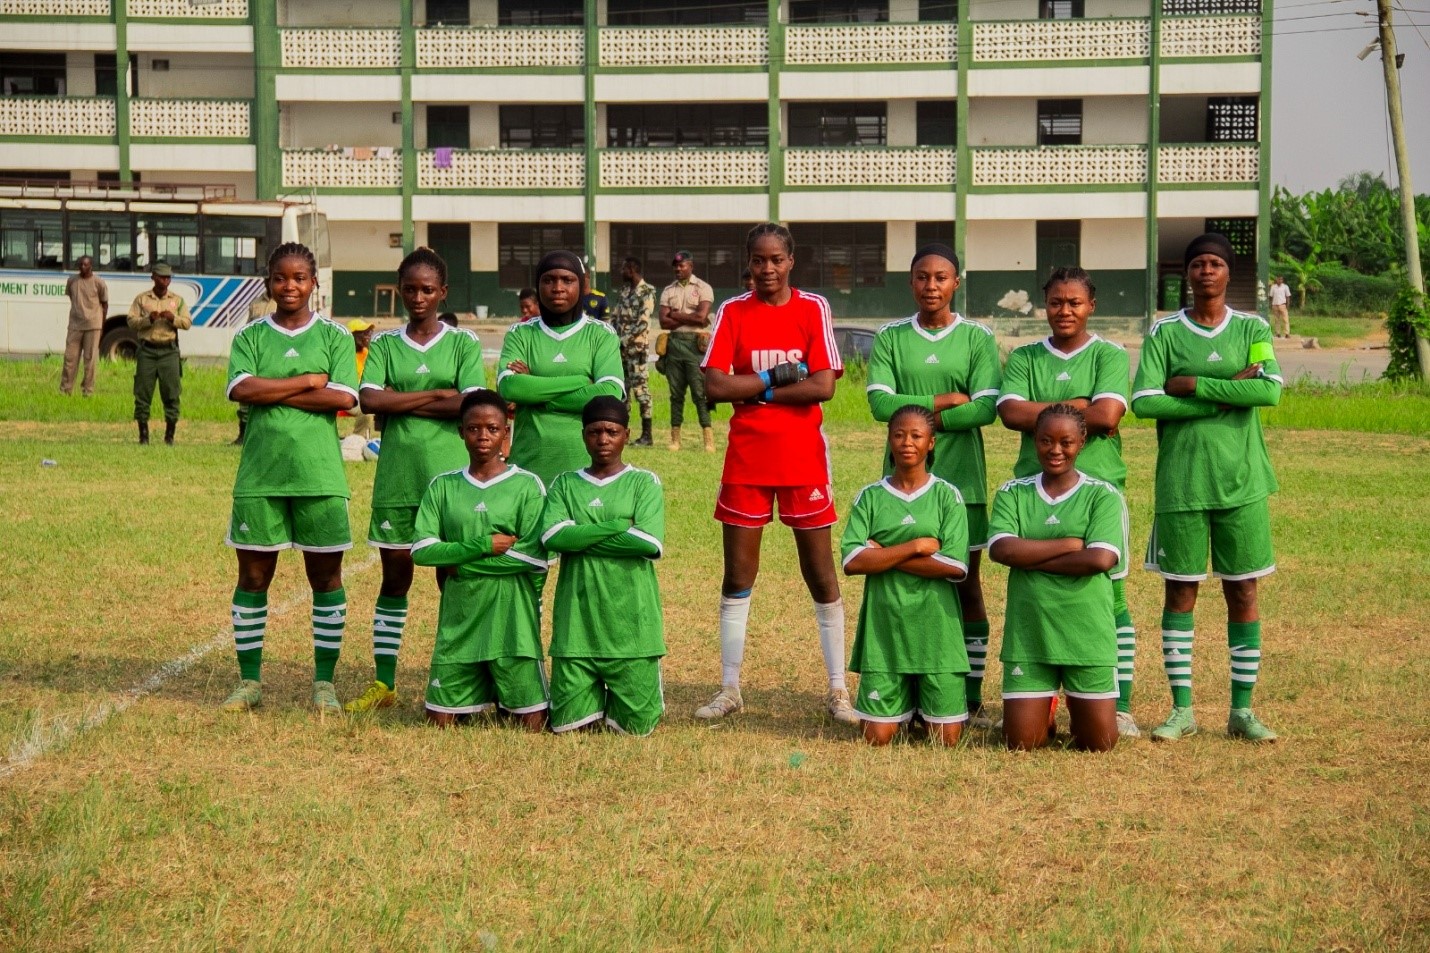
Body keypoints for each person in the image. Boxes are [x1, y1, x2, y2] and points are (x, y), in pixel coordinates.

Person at [694, 222, 856, 725]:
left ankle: (837, 690)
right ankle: (729, 687)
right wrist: (772, 377)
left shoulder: (813, 308)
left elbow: (824, 385)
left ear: (791, 261)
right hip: (747, 457)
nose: (767, 269)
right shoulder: (732, 311)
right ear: (749, 262)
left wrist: (754, 391)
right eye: (758, 260)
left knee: (820, 572)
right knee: (738, 574)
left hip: (802, 456)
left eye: (776, 260)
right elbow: (716, 387)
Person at [1132, 233, 1281, 744]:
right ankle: (1182, 711)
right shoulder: (1164, 332)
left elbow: (1270, 390)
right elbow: (1146, 400)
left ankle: (1242, 711)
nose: (1206, 271)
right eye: (1198, 264)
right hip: (1183, 482)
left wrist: (1196, 385)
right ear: (1187, 274)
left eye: (1215, 263)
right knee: (1181, 590)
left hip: (1243, 481)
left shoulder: (1254, 326)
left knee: (1243, 589)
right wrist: (1226, 395)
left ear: (1228, 273)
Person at [996, 267, 1138, 737]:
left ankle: (1119, 702)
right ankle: (1041, 694)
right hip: (1034, 486)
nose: (1064, 310)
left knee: (1109, 597)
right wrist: (1077, 404)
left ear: (1091, 306)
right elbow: (1010, 412)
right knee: (1036, 591)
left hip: (1099, 484)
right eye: (1056, 302)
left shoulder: (1110, 354)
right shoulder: (1024, 356)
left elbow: (1110, 412)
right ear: (1045, 305)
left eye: (1074, 302)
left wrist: (1051, 410)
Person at [345, 247, 486, 714]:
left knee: (455, 579)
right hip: (398, 481)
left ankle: (456, 675)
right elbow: (369, 401)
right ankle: (384, 683)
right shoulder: (384, 344)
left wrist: (402, 398)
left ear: (443, 292)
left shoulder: (463, 344)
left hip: (451, 483)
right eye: (410, 289)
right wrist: (435, 394)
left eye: (428, 289)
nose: (418, 297)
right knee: (394, 578)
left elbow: (468, 406)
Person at [221, 242, 360, 714]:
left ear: (314, 282)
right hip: (261, 476)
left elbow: (342, 398)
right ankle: (249, 681)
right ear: (268, 282)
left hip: (319, 476)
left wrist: (272, 391)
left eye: (300, 277)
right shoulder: (251, 335)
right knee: (254, 576)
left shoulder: (336, 336)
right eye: (281, 278)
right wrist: (306, 382)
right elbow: (241, 388)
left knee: (326, 579)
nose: (290, 286)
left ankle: (324, 683)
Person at [865, 243, 1001, 725]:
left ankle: (970, 694)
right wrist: (944, 399)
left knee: (965, 583)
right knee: (899, 577)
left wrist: (916, 423)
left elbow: (986, 406)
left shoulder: (977, 338)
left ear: (956, 283)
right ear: (910, 282)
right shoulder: (891, 337)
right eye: (922, 277)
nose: (931, 286)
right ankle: (905, 685)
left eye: (941, 278)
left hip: (963, 483)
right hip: (899, 485)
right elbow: (881, 405)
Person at [987, 403, 1124, 753]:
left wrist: (1029, 556)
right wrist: (1067, 544)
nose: (1055, 450)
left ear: (1082, 442)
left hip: (1085, 631)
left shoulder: (1102, 495)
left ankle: (1077, 705)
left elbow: (1100, 558)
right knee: (1021, 743)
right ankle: (1045, 706)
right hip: (1030, 631)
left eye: (1066, 442)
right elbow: (1002, 550)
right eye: (1046, 440)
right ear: (1035, 440)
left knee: (1100, 744)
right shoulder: (1012, 492)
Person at [411, 391, 550, 730]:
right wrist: (483, 545)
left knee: (532, 725)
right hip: (461, 619)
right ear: (461, 431)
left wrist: (458, 562)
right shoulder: (443, 486)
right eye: (474, 428)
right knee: (438, 723)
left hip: (511, 620)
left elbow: (533, 558)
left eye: (492, 428)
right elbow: (423, 550)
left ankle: (506, 697)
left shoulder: (527, 486)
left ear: (506, 432)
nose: (483, 437)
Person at [842, 405, 970, 746]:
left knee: (945, 741)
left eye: (916, 435)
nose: (906, 443)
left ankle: (917, 707)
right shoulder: (870, 497)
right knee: (876, 738)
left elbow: (955, 566)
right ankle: (904, 706)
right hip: (886, 632)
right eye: (898, 435)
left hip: (936, 633)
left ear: (931, 443)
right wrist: (913, 546)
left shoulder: (947, 496)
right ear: (889, 440)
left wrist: (881, 553)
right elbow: (853, 560)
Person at [543, 396, 667, 735]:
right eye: (595, 432)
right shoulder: (565, 484)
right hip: (576, 633)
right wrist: (617, 526)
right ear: (583, 435)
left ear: (626, 434)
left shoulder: (644, 482)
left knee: (637, 730)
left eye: (612, 432)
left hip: (633, 632)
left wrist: (579, 533)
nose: (603, 440)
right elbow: (554, 537)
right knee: (568, 728)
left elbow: (649, 543)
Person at [497, 251, 625, 486]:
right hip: (529, 467)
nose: (558, 287)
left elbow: (609, 394)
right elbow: (510, 387)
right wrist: (580, 381)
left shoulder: (600, 334)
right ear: (538, 285)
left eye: (567, 280)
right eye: (549, 280)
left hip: (586, 468)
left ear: (581, 284)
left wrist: (536, 389)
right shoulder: (521, 333)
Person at [126, 261, 190, 445]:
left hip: (168, 351)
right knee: (142, 393)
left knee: (171, 392)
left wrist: (174, 319)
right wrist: (148, 320)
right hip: (147, 350)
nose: (165, 281)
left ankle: (169, 436)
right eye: (162, 277)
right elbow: (131, 321)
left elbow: (187, 322)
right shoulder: (142, 299)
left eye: (168, 277)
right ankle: (143, 435)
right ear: (153, 277)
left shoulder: (177, 300)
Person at [659, 250, 715, 452]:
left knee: (700, 393)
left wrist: (675, 314)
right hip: (674, 344)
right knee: (676, 393)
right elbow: (664, 321)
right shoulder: (668, 290)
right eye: (675, 266)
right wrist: (687, 317)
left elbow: (701, 318)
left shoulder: (703, 288)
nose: (678, 269)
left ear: (691, 266)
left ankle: (708, 438)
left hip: (695, 345)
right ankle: (675, 438)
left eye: (681, 265)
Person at [607, 256, 657, 446]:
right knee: (623, 391)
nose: (621, 272)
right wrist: (612, 338)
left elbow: (643, 323)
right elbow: (615, 316)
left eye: (624, 269)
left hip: (637, 351)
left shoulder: (647, 292)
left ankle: (647, 435)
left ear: (632, 269)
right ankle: (623, 432)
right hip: (620, 351)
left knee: (641, 391)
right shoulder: (624, 291)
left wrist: (623, 340)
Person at [62, 256, 108, 398]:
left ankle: (88, 391)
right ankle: (66, 390)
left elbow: (104, 304)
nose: (83, 267)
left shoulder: (99, 283)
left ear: (91, 266)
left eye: (86, 264)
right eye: (80, 264)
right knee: (70, 358)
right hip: (75, 325)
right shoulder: (72, 281)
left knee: (90, 360)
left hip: (93, 325)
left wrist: (101, 325)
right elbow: (72, 298)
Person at [342, 319, 376, 441]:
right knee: (366, 410)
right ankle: (358, 441)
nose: (367, 335)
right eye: (363, 332)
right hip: (348, 397)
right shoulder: (344, 354)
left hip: (365, 395)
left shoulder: (368, 353)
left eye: (369, 332)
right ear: (352, 335)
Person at [1268, 275, 1292, 340]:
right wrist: (1271, 305)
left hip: (1282, 305)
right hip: (1275, 305)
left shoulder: (1285, 287)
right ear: (1276, 280)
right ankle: (1278, 333)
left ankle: (1287, 333)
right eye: (1278, 279)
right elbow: (1271, 296)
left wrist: (1288, 305)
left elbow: (1288, 296)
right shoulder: (1273, 287)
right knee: (1276, 320)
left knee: (1285, 320)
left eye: (1281, 279)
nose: (1280, 281)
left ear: (1282, 280)